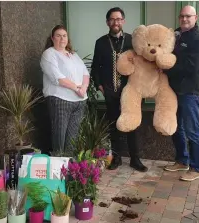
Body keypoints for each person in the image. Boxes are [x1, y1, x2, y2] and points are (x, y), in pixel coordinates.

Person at [90, 7, 148, 172]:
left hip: (131, 93)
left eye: (119, 19)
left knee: (133, 126)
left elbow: (142, 65)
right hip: (111, 92)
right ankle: (116, 158)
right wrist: (100, 86)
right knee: (113, 125)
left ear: (123, 21)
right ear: (108, 22)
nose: (116, 22)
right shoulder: (100, 42)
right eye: (112, 19)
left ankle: (135, 159)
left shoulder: (132, 40)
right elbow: (96, 67)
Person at [163, 5, 199, 181]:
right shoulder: (175, 34)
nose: (184, 19)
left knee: (192, 130)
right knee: (176, 127)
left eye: (188, 16)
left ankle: (196, 168)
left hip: (189, 92)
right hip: (172, 90)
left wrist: (166, 69)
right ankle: (182, 160)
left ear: (196, 18)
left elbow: (190, 67)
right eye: (182, 16)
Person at [40, 24, 90, 155]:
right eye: (58, 35)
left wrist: (83, 88)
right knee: (59, 136)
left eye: (64, 35)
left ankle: (70, 167)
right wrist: (76, 88)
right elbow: (57, 77)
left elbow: (85, 73)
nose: (62, 38)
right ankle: (58, 166)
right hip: (60, 100)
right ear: (52, 38)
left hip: (79, 100)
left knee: (72, 137)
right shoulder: (49, 54)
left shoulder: (73, 55)